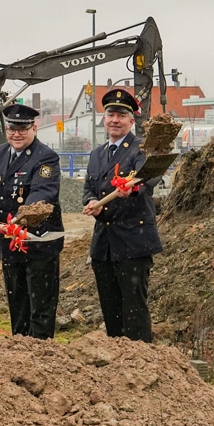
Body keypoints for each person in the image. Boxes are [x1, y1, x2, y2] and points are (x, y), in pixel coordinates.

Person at [0, 103, 64, 339]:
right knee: (17, 304)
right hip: (9, 243)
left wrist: (21, 218)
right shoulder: (0, 153)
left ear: (34, 129)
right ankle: (19, 347)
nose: (16, 134)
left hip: (37, 242)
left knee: (40, 307)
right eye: (11, 129)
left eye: (22, 129)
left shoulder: (46, 158)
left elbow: (43, 193)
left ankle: (41, 351)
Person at [81, 88, 163, 342]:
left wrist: (133, 187)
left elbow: (149, 178)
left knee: (134, 308)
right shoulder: (97, 154)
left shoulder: (141, 149)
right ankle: (116, 356)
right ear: (104, 119)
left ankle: (140, 357)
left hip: (133, 241)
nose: (114, 120)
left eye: (121, 115)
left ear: (131, 120)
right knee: (111, 308)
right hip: (104, 244)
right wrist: (91, 201)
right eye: (110, 115)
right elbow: (89, 188)